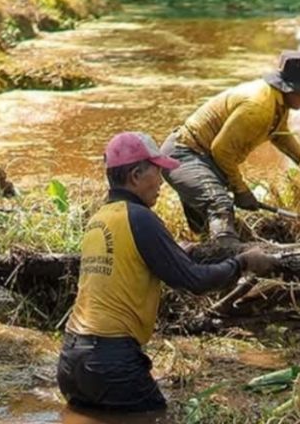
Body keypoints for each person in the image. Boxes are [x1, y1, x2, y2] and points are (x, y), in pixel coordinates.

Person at [58, 131, 277, 413]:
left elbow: (129, 265)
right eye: (157, 172)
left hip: (71, 362)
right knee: (157, 417)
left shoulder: (99, 219)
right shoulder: (140, 218)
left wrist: (174, 253)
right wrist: (243, 263)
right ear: (136, 175)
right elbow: (195, 281)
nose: (162, 181)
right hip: (111, 363)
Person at [161, 51, 300, 244]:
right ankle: (231, 259)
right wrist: (241, 190)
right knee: (219, 203)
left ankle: (206, 254)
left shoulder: (277, 101)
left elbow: (281, 136)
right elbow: (222, 151)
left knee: (209, 228)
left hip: (203, 159)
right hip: (184, 155)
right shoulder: (258, 107)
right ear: (291, 89)